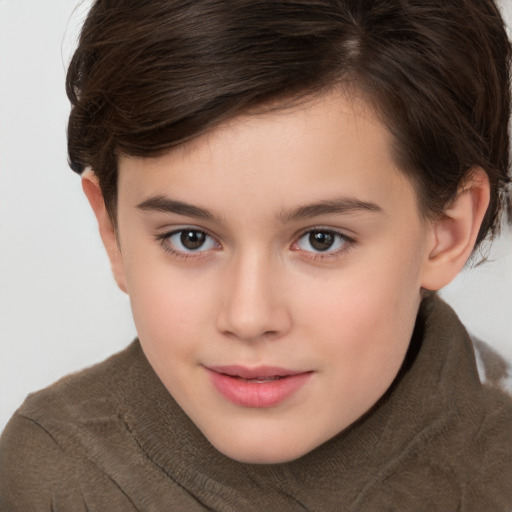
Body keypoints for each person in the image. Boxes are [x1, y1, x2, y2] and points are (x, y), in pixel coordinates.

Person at [1, 0, 511, 510]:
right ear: (112, 231)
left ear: (446, 231)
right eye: (190, 238)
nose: (249, 318)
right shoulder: (51, 477)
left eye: (321, 240)